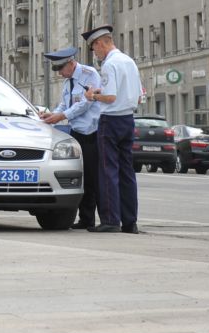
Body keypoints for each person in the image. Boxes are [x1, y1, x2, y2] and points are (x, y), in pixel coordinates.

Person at [79, 25, 142, 234]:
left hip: (111, 121)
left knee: (107, 171)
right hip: (128, 119)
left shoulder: (109, 65)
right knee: (127, 172)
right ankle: (130, 221)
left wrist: (93, 96)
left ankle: (110, 219)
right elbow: (139, 95)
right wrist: (102, 90)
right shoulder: (129, 61)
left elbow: (111, 97)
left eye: (94, 48)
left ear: (101, 43)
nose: (95, 53)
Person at [39, 46, 103, 230]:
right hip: (77, 133)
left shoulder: (88, 74)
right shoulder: (68, 82)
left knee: (94, 178)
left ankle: (102, 218)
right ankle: (86, 218)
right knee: (81, 177)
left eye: (61, 69)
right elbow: (64, 103)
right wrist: (52, 115)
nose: (59, 74)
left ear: (71, 63)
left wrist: (63, 116)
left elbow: (86, 103)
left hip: (92, 132)